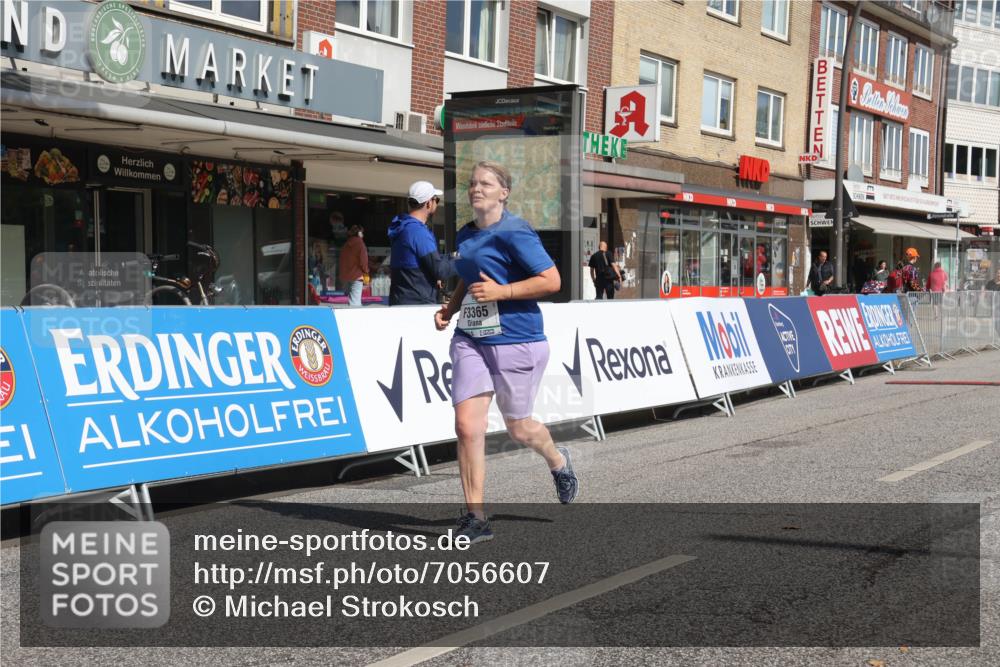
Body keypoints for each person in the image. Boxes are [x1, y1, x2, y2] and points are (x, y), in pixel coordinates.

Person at [433, 161, 578, 544]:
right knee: (467, 426)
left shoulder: (516, 231)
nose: (476, 189)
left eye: (485, 183)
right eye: (472, 184)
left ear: (503, 192)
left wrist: (504, 292)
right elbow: (470, 274)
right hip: (472, 339)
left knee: (519, 428)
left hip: (517, 339)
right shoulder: (465, 234)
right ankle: (476, 517)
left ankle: (557, 461)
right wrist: (451, 309)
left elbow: (552, 280)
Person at [388, 181, 454, 305]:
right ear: (429, 203)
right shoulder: (418, 232)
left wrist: (451, 257)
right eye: (436, 200)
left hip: (400, 300)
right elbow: (439, 270)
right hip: (418, 304)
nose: (436, 203)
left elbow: (423, 262)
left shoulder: (402, 227)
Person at [338, 225, 369, 307]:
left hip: (344, 277)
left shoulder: (345, 245)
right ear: (359, 233)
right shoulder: (360, 245)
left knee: (350, 301)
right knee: (355, 304)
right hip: (356, 276)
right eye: (362, 233)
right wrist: (366, 272)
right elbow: (363, 262)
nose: (363, 235)